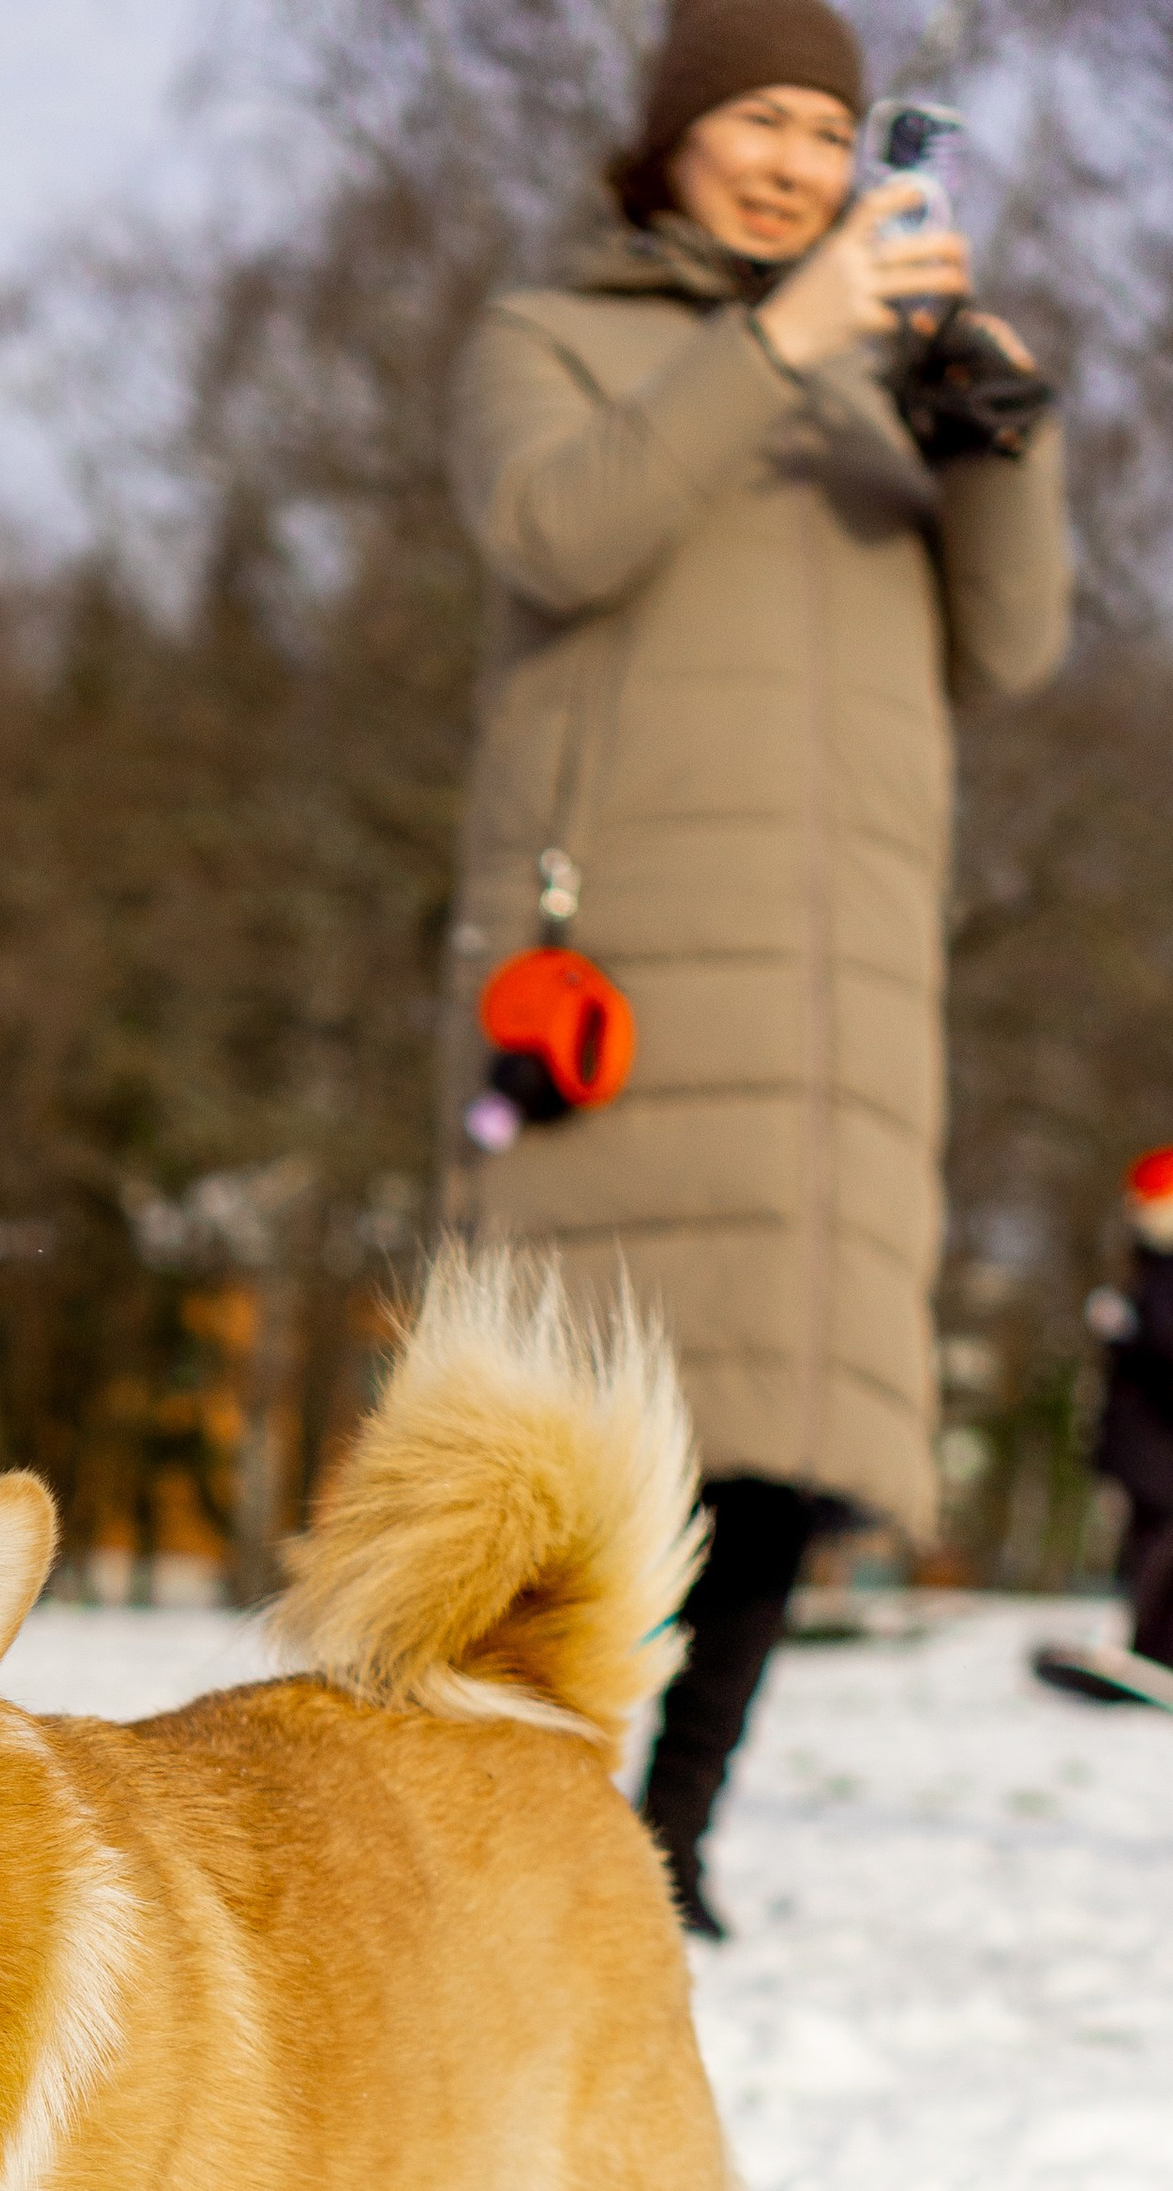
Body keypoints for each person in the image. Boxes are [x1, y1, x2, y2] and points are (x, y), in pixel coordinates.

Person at [445, 0, 1071, 1930]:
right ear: (672, 145)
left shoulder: (886, 409)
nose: (801, 160)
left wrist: (1002, 440)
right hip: (625, 961)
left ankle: (667, 1849)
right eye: (761, 123)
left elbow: (1019, 644)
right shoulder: (554, 338)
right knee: (583, 1448)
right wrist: (780, 339)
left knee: (790, 1452)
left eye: (829, 127)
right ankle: (496, 1844)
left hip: (844, 992)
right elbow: (560, 524)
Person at [1033, 1148, 1173, 1709]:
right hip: (1151, 1440)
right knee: (1154, 1546)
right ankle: (1151, 1656)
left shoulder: (1152, 1271)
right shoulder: (1154, 1270)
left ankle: (1153, 1655)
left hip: (1152, 1440)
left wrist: (1125, 1335)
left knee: (1155, 1546)